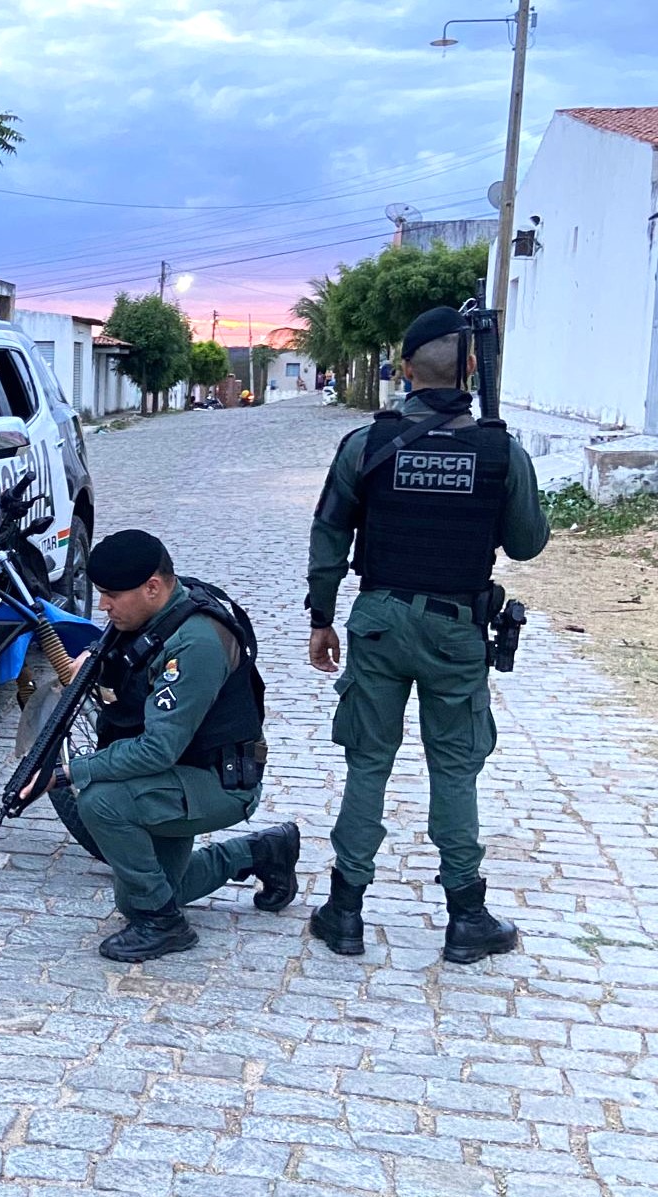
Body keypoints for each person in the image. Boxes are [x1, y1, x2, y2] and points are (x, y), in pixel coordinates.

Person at [306, 305, 550, 963]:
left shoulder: (366, 444)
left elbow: (329, 535)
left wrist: (321, 617)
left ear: (405, 369)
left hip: (379, 623)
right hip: (456, 629)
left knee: (368, 761)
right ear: (470, 367)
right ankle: (466, 916)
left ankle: (345, 910)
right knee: (455, 767)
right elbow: (527, 543)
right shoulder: (501, 451)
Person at [23, 530, 298, 963]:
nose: (103, 606)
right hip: (178, 771)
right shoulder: (158, 610)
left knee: (101, 801)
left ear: (152, 587)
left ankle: (164, 924)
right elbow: (126, 662)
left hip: (219, 781)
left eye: (112, 595)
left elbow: (156, 750)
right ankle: (261, 852)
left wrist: (67, 772)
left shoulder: (195, 643)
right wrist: (92, 661)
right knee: (142, 895)